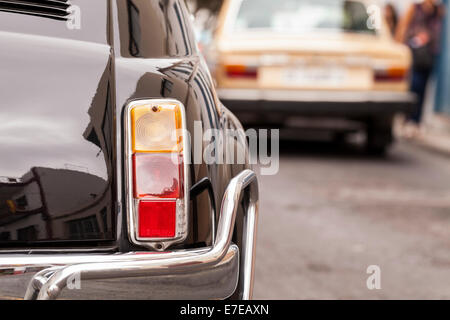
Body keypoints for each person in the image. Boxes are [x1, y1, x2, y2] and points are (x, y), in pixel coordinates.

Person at [396, 0, 445, 137]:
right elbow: (405, 27)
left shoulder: (438, 11)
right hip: (415, 54)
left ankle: (417, 122)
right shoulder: (415, 8)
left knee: (424, 90)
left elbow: (437, 33)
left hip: (429, 56)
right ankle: (408, 120)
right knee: (414, 87)